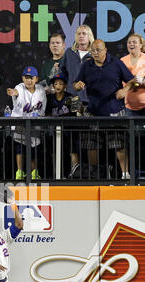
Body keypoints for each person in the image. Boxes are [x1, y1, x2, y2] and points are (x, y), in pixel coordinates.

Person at [73, 39, 135, 179]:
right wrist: (78, 85)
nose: (95, 53)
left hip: (115, 111)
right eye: (93, 50)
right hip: (93, 111)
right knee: (91, 145)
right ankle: (96, 174)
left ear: (105, 49)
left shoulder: (116, 63)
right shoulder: (86, 65)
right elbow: (75, 83)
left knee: (119, 144)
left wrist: (125, 90)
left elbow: (133, 81)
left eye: (98, 50)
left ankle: (125, 174)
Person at [59, 25, 94, 176]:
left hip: (91, 100)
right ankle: (75, 168)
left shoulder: (95, 53)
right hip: (73, 99)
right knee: (73, 136)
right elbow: (61, 73)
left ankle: (93, 171)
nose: (81, 36)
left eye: (84, 34)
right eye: (79, 33)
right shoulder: (69, 53)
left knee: (92, 138)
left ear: (89, 36)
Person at [7, 66, 47, 180]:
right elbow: (16, 92)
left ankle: (34, 172)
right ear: (23, 78)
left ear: (36, 79)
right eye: (26, 78)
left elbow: (43, 107)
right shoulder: (19, 87)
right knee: (20, 147)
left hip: (34, 125)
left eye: (31, 78)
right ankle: (19, 172)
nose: (28, 80)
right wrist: (13, 92)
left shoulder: (41, 90)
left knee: (34, 149)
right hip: (20, 123)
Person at [120, 34, 145, 116]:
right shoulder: (122, 61)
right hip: (130, 108)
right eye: (129, 42)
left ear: (141, 45)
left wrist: (142, 82)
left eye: (134, 42)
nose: (131, 44)